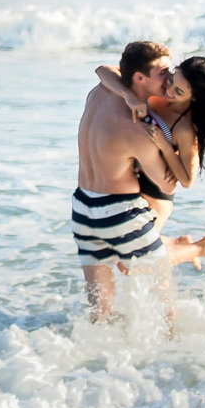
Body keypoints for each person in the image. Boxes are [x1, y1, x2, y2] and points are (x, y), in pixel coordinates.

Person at [95, 49, 205, 271]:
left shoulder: (185, 129)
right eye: (172, 81)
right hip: (133, 182)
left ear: (193, 97)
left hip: (157, 192)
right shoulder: (158, 90)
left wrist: (165, 146)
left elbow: (186, 180)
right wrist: (127, 95)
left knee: (129, 262)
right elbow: (102, 71)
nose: (169, 91)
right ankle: (179, 244)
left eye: (178, 91)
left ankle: (201, 248)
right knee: (119, 252)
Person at [73, 41, 177, 324]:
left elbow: (102, 70)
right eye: (164, 72)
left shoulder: (99, 92)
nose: (171, 77)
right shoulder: (138, 129)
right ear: (139, 78)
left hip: (83, 207)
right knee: (164, 306)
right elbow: (166, 186)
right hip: (120, 212)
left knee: (100, 314)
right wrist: (170, 150)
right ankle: (171, 354)